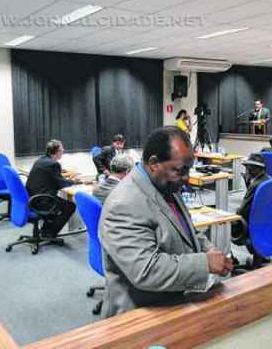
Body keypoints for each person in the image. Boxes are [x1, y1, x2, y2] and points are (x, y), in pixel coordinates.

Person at [99, 126, 233, 318]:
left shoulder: (166, 185)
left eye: (187, 169)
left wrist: (209, 250)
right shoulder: (124, 204)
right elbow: (146, 270)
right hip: (140, 316)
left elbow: (188, 231)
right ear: (154, 163)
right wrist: (205, 263)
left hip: (175, 301)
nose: (186, 178)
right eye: (180, 170)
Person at [26, 140, 81, 238]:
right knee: (70, 206)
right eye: (62, 149)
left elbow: (53, 179)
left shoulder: (41, 160)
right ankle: (49, 233)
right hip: (43, 200)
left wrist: (64, 179)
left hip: (33, 197)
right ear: (56, 151)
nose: (63, 150)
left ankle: (45, 230)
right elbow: (61, 184)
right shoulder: (53, 164)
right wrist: (73, 181)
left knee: (61, 204)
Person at [233, 153, 271, 267]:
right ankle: (260, 256)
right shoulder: (269, 180)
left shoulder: (255, 185)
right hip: (267, 224)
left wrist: (232, 217)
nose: (247, 170)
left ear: (258, 169)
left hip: (251, 225)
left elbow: (242, 211)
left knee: (220, 226)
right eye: (247, 167)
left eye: (250, 168)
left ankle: (231, 260)